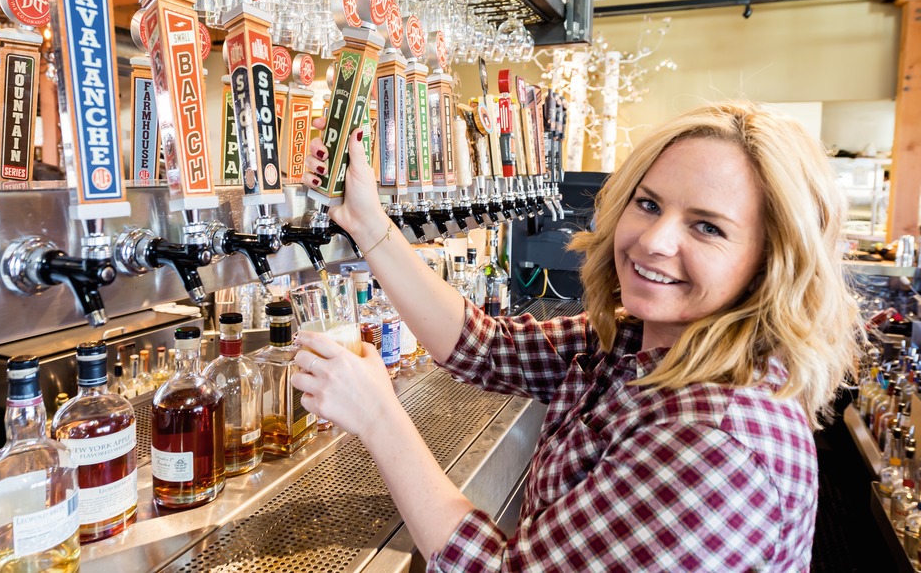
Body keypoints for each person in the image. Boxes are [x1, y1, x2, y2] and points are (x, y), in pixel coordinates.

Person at [293, 101, 861, 571]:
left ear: (772, 261)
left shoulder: (717, 444)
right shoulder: (639, 343)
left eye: (707, 226)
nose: (654, 241)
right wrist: (367, 221)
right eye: (649, 204)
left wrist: (377, 417)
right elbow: (485, 346)